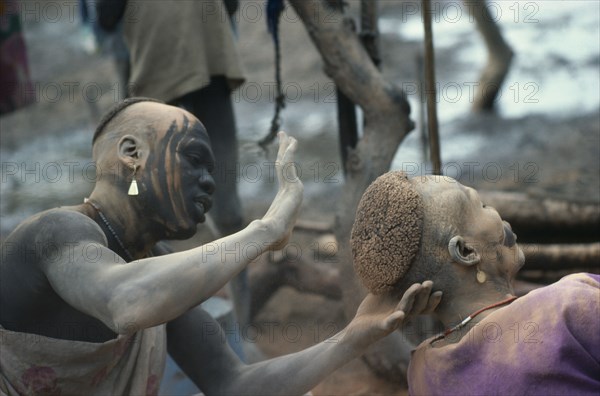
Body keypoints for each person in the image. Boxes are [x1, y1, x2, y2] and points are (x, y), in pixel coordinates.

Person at [0, 99, 441, 395]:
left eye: (212, 170)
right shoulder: (55, 233)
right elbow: (125, 300)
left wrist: (353, 337)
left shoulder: (154, 268)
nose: (209, 182)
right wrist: (265, 230)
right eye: (193, 160)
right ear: (131, 152)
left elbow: (233, 384)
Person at [351, 171, 600, 395]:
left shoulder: (423, 371)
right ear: (466, 251)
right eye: (482, 205)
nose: (500, 216)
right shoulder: (569, 306)